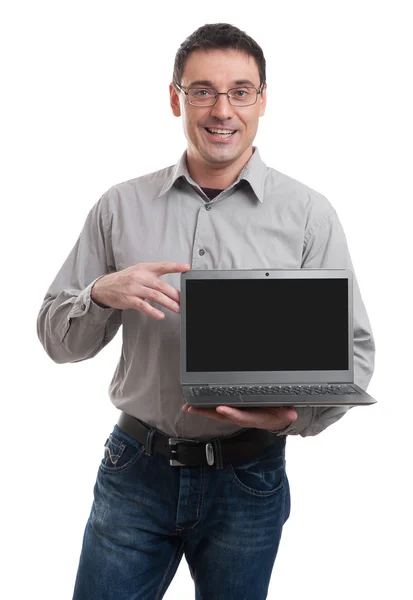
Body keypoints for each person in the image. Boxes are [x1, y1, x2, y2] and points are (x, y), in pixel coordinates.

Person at [36, 22, 375, 600]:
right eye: (203, 91)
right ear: (176, 98)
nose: (223, 109)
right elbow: (55, 337)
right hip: (134, 471)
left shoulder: (309, 216)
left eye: (240, 91)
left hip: (249, 478)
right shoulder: (119, 206)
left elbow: (356, 356)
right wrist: (100, 293)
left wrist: (296, 417)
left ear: (263, 99)